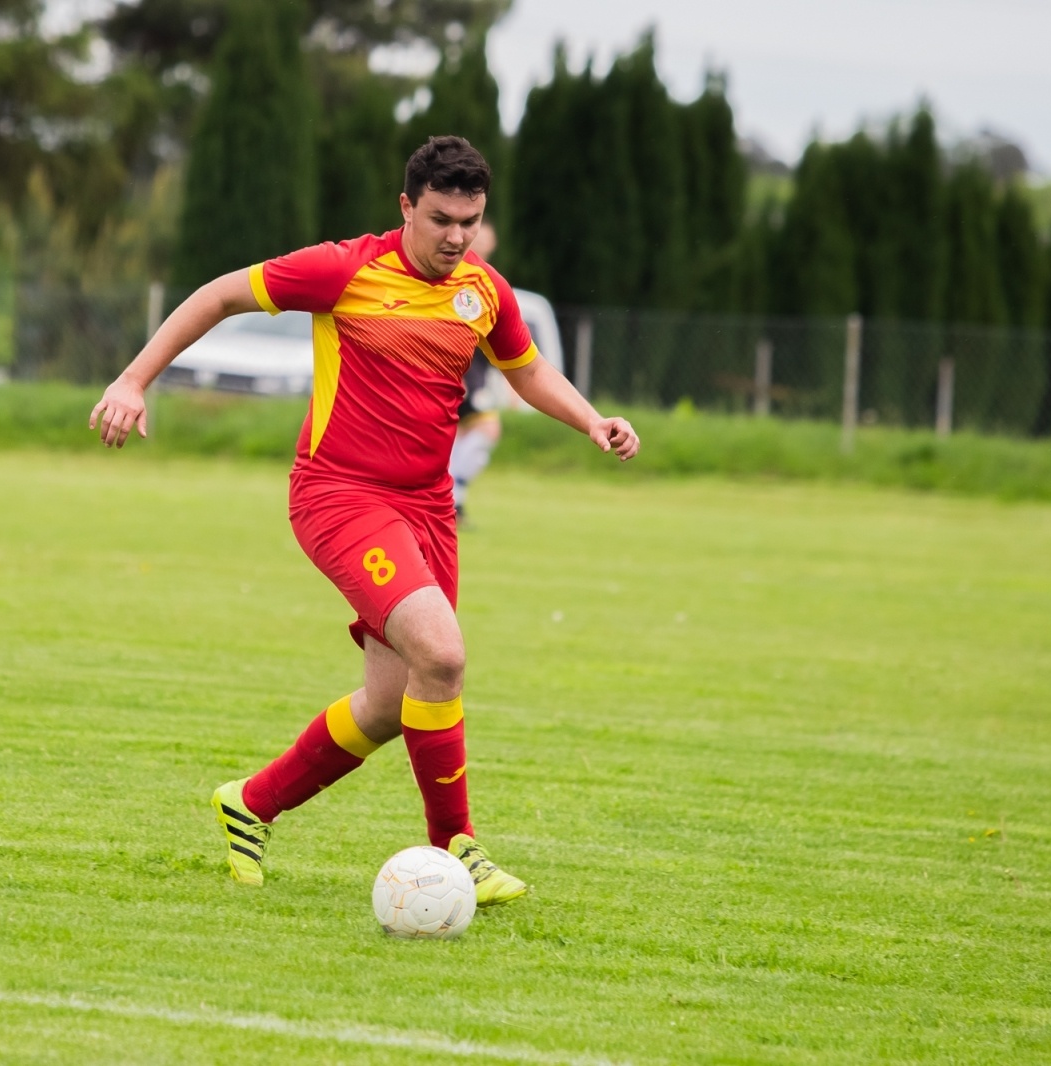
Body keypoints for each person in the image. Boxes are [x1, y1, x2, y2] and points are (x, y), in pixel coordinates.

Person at [88, 136, 639, 907]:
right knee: (442, 655)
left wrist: (590, 420)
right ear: (407, 206)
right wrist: (133, 379)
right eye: (442, 218)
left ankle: (250, 803)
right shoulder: (344, 270)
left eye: (471, 222)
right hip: (339, 496)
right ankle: (458, 849)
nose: (457, 237)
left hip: (426, 507)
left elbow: (528, 370)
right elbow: (217, 296)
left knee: (389, 702)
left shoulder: (482, 290)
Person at [449, 221, 503, 524]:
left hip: (476, 381)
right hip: (456, 380)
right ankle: (452, 500)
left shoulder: (487, 283)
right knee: (481, 432)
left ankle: (453, 500)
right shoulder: (454, 280)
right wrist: (458, 378)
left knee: (475, 435)